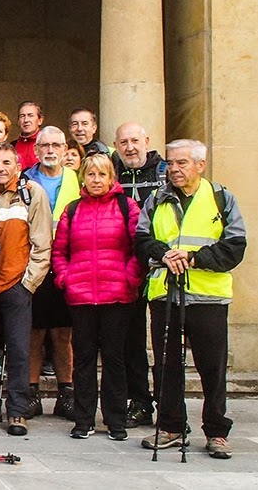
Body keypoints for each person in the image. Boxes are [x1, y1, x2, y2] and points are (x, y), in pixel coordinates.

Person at [136, 139, 247, 459]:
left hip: (208, 297)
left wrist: (194, 258)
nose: (174, 169)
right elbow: (142, 240)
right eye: (170, 163)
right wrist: (163, 254)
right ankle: (171, 426)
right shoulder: (157, 198)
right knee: (166, 365)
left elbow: (235, 246)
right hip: (165, 294)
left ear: (200, 165)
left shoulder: (221, 198)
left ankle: (216, 431)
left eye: (181, 163)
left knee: (212, 368)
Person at [52, 153, 142, 441]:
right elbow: (59, 251)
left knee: (114, 359)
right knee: (84, 359)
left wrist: (130, 278)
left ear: (111, 177)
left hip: (117, 295)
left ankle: (115, 420)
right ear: (83, 178)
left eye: (102, 174)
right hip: (81, 295)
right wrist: (65, 278)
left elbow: (138, 248)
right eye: (91, 174)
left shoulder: (127, 207)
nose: (96, 180)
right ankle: (84, 419)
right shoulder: (73, 210)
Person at [0, 144, 52, 437]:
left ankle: (18, 409)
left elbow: (42, 244)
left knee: (19, 349)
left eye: (7, 162)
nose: (0, 168)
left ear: (18, 166)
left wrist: (28, 283)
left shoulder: (32, 193)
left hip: (16, 284)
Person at [111, 121, 167, 428]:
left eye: (135, 141)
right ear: (116, 145)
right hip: (125, 268)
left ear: (147, 140)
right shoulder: (112, 173)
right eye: (123, 142)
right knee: (131, 341)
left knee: (164, 343)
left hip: (161, 269)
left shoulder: (165, 172)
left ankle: (169, 408)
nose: (130, 147)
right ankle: (140, 402)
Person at [24, 126, 80, 420]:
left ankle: (66, 393)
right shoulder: (24, 181)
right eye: (44, 145)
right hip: (33, 264)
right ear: (35, 150)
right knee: (33, 332)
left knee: (62, 333)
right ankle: (31, 393)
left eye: (56, 145)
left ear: (64, 149)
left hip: (68, 264)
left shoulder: (77, 180)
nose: (50, 150)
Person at [12, 101, 44, 171]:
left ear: (40, 120)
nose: (26, 120)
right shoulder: (12, 146)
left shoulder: (47, 145)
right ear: (18, 121)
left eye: (30, 115)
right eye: (22, 116)